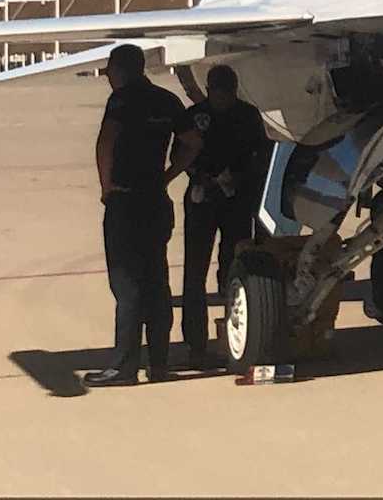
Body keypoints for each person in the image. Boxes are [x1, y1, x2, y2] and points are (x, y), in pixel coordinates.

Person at [83, 44, 201, 387]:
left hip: (126, 200)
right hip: (155, 198)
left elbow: (106, 143)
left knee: (127, 285)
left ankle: (124, 366)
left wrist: (107, 187)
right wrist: (168, 174)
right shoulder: (167, 100)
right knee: (156, 283)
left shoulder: (121, 101)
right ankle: (159, 363)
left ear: (120, 70)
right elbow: (193, 142)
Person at [179, 64, 269, 369]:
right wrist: (201, 177)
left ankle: (237, 332)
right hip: (202, 198)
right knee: (194, 272)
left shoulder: (248, 115)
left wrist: (239, 178)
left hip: (237, 200)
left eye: (226, 93)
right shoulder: (195, 116)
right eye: (216, 93)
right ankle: (195, 343)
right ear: (209, 91)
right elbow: (180, 155)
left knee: (234, 267)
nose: (221, 99)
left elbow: (261, 156)